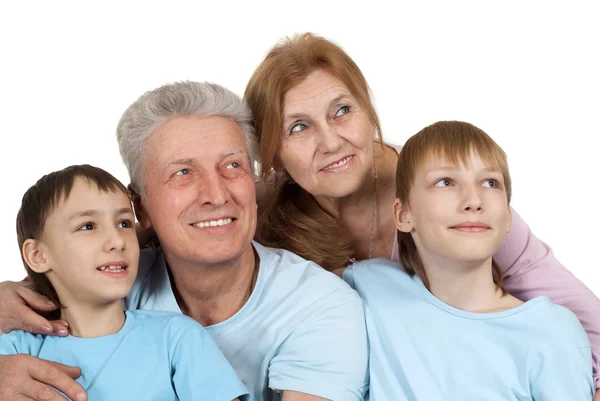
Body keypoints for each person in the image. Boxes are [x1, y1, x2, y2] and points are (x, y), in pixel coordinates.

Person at [243, 32, 600, 392]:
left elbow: (580, 317)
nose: (332, 141)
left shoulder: (447, 192)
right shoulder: (257, 215)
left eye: (343, 110)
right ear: (271, 154)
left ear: (369, 112)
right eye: (299, 127)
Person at [0, 82, 368, 401]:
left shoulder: (320, 305)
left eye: (233, 166)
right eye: (183, 172)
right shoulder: (108, 280)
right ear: (141, 206)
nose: (216, 194)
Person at [344, 120, 594, 400]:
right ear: (403, 215)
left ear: (508, 216)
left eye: (490, 183)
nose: (474, 200)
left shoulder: (552, 334)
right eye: (445, 182)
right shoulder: (368, 285)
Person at [0, 164, 248, 401]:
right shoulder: (14, 350)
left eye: (124, 223)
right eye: (88, 226)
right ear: (38, 255)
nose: (118, 240)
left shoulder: (176, 337)